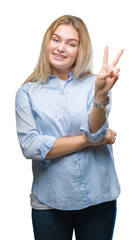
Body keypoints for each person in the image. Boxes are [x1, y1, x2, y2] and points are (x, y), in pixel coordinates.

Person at [15, 15, 124, 240]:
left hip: (98, 197)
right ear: (47, 42)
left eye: (71, 44)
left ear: (80, 50)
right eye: (56, 40)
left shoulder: (96, 84)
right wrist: (93, 140)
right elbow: (31, 147)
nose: (61, 48)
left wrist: (101, 95)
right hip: (49, 200)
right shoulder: (27, 92)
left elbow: (94, 129)